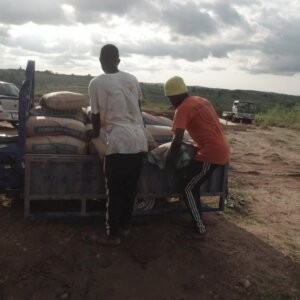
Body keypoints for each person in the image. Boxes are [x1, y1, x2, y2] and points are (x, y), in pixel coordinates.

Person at [86, 44, 148, 245]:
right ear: (118, 61)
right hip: (139, 141)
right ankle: (125, 227)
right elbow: (138, 111)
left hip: (120, 142)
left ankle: (112, 235)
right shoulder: (132, 79)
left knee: (114, 191)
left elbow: (95, 115)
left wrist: (94, 133)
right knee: (130, 189)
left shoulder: (96, 83)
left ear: (100, 61)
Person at [164, 76, 230, 239]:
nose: (170, 102)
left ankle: (200, 229)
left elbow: (177, 140)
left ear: (174, 95)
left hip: (210, 153)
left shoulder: (182, 109)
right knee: (190, 181)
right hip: (218, 147)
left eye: (170, 98)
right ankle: (196, 217)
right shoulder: (200, 100)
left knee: (188, 188)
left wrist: (169, 164)